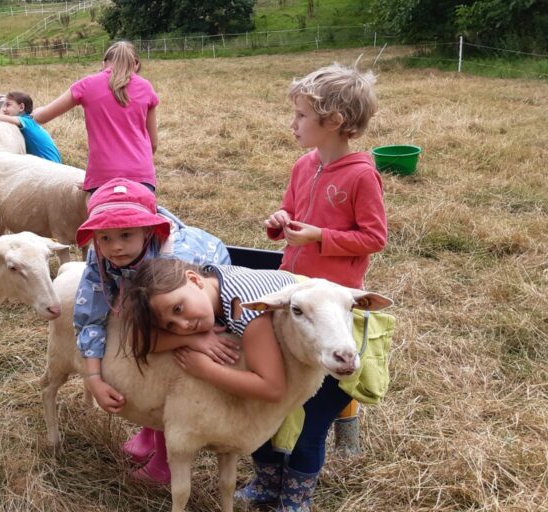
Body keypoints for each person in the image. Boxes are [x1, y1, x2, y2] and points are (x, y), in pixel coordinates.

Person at [243, 62, 386, 511]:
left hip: (329, 305)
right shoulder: (303, 166)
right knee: (268, 394)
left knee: (311, 414)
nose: (294, 124)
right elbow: (289, 214)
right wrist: (279, 224)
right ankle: (266, 482)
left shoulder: (362, 175)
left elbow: (374, 237)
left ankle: (296, 496)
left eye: (302, 115)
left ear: (334, 121)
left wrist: (321, 237)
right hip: (293, 294)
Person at [73, 178, 232, 484]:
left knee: (166, 354)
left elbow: (189, 311)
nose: (115, 246)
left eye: (125, 234)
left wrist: (197, 335)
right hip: (149, 289)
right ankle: (151, 431)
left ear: (148, 230)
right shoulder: (101, 255)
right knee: (144, 336)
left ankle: (166, 460)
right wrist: (93, 377)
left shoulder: (175, 259)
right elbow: (88, 315)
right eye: (104, 237)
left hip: (191, 298)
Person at [32, 41, 158, 192]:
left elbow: (42, 117)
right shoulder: (146, 87)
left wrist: (37, 112)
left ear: (104, 63)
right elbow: (153, 144)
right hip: (141, 175)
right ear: (136, 65)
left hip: (103, 175)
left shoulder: (87, 85)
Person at [0, 90, 61, 163]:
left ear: (21, 107)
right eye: (4, 106)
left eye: (8, 105)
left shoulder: (26, 121)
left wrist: (0, 112)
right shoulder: (31, 122)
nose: (4, 109)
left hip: (49, 164)